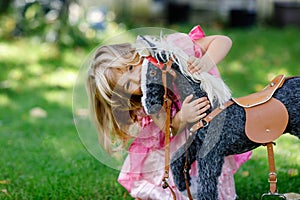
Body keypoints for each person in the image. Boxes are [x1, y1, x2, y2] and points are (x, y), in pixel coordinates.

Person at [87, 25, 252, 200]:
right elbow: (169, 129)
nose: (136, 78)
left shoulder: (173, 50)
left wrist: (204, 63)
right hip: (179, 139)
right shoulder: (150, 100)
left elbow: (223, 41)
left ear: (136, 52)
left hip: (208, 123)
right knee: (172, 169)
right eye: (128, 85)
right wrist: (182, 116)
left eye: (130, 68)